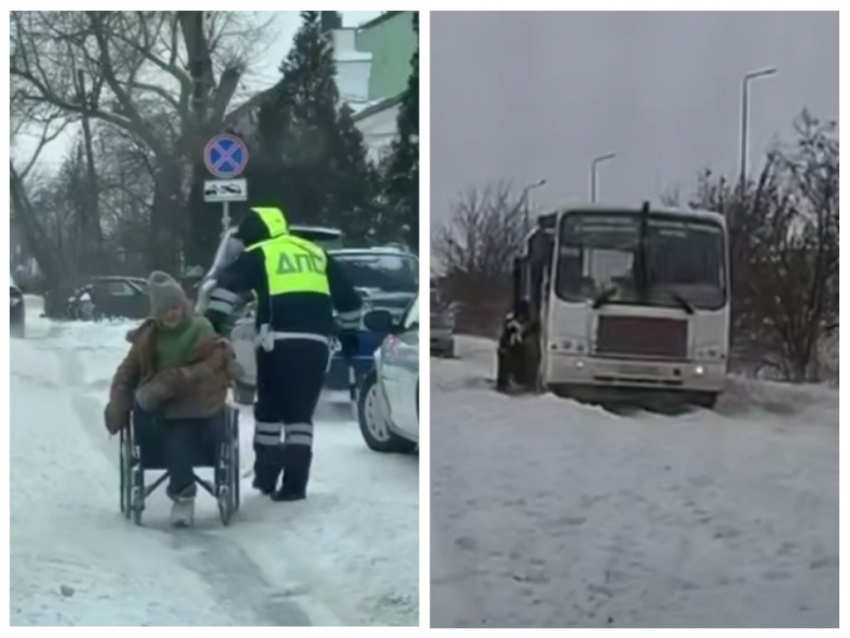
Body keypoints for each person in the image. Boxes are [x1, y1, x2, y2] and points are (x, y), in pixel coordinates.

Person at [204, 204, 362, 502]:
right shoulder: (315, 252)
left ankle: (266, 476)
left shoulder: (259, 251)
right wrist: (350, 334)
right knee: (300, 415)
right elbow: (350, 301)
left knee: (270, 411)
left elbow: (226, 288)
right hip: (317, 344)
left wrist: (213, 322)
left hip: (277, 343)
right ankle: (295, 485)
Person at [104, 271, 235, 527]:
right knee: (157, 420)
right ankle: (182, 490)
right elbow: (127, 371)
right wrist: (120, 395)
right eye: (165, 310)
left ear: (184, 304)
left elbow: (214, 366)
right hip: (157, 407)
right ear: (156, 313)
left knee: (180, 430)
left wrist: (178, 380)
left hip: (199, 406)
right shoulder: (148, 336)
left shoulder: (201, 328)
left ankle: (183, 496)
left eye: (175, 307)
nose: (171, 314)